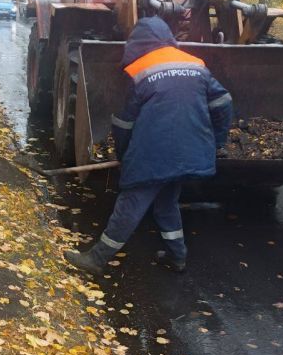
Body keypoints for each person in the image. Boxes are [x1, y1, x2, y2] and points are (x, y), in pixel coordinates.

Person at [64, 16, 233, 276]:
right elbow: (223, 102)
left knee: (130, 205)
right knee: (166, 202)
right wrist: (216, 141)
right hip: (189, 153)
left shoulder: (141, 70)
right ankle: (177, 256)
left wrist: (123, 154)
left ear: (138, 42)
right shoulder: (195, 64)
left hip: (154, 154)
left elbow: (124, 122)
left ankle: (97, 260)